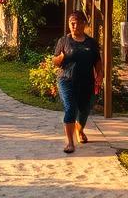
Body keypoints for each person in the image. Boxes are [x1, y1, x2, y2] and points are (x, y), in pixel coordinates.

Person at [52, 9, 103, 153]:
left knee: (84, 110)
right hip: (66, 80)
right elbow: (55, 61)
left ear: (84, 24)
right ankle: (70, 142)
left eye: (77, 23)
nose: (74, 26)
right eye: (71, 23)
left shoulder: (91, 43)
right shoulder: (64, 41)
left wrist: (100, 74)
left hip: (86, 81)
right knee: (70, 108)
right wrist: (60, 58)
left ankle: (80, 131)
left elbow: (97, 62)